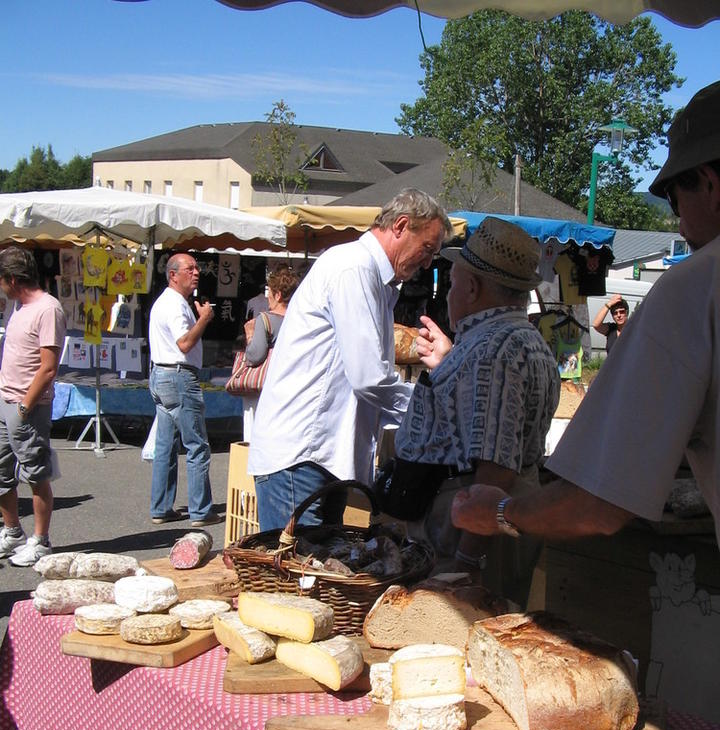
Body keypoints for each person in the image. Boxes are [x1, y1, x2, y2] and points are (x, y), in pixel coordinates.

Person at [450, 80, 720, 550]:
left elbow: (597, 504)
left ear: (711, 186)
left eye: (675, 198)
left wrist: (497, 513)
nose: (677, 220)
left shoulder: (697, 286)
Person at [248, 188, 453, 531]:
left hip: (321, 457)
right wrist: (429, 412)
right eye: (427, 249)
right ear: (401, 225)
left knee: (317, 573)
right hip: (301, 457)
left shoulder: (371, 277)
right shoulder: (354, 268)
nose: (428, 263)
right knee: (297, 577)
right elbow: (369, 378)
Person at [393, 217, 560, 606]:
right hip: (494, 513)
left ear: (471, 287)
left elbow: (495, 469)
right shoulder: (523, 339)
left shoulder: (494, 351)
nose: (449, 295)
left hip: (470, 524)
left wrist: (469, 558)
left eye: (452, 285)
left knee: (461, 635)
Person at [0, 247, 66, 566]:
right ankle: (12, 531)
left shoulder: (47, 309)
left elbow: (48, 367)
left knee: (36, 473)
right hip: (5, 400)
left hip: (28, 406)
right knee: (1, 473)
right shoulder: (17, 305)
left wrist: (25, 408)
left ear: (13, 279)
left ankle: (40, 540)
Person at [148, 253, 221, 527]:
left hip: (161, 374)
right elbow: (184, 344)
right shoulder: (176, 305)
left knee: (166, 445)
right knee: (196, 445)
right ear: (173, 274)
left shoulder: (167, 302)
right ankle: (200, 510)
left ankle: (161, 506)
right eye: (189, 269)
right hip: (178, 376)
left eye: (196, 268)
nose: (196, 273)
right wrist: (204, 319)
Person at [243, 265, 299, 366]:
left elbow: (255, 356)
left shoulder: (265, 320)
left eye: (269, 292)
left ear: (278, 295)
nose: (267, 296)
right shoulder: (301, 319)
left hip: (274, 377)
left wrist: (250, 334)